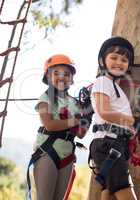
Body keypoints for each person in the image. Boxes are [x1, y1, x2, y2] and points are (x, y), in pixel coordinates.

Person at [27, 54, 90, 200]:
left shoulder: (75, 103)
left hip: (67, 155)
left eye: (67, 74)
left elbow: (80, 134)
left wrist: (88, 113)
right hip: (48, 152)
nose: (62, 77)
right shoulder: (45, 98)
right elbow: (49, 125)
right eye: (56, 73)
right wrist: (75, 120)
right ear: (48, 77)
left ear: (72, 79)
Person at [89, 36, 137, 200]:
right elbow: (104, 111)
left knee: (108, 192)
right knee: (125, 192)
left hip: (115, 143)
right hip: (108, 143)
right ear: (103, 61)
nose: (119, 62)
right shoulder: (103, 81)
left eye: (124, 60)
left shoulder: (113, 85)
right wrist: (129, 121)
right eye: (114, 57)